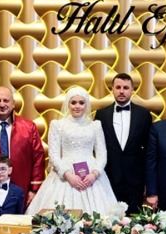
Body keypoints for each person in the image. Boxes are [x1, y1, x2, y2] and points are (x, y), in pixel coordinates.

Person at [26, 87, 118, 215]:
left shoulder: (95, 125)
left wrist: (94, 175)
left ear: (86, 105)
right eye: (73, 102)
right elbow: (53, 155)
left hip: (91, 175)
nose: (77, 106)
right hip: (65, 174)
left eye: (81, 102)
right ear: (68, 104)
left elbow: (102, 154)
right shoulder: (57, 125)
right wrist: (68, 175)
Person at [94, 73, 153, 214]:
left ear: (132, 90)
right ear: (112, 89)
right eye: (118, 87)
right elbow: (96, 147)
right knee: (108, 220)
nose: (121, 91)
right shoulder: (101, 114)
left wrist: (148, 183)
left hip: (135, 180)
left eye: (126, 88)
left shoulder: (144, 115)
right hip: (108, 178)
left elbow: (149, 150)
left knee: (134, 220)